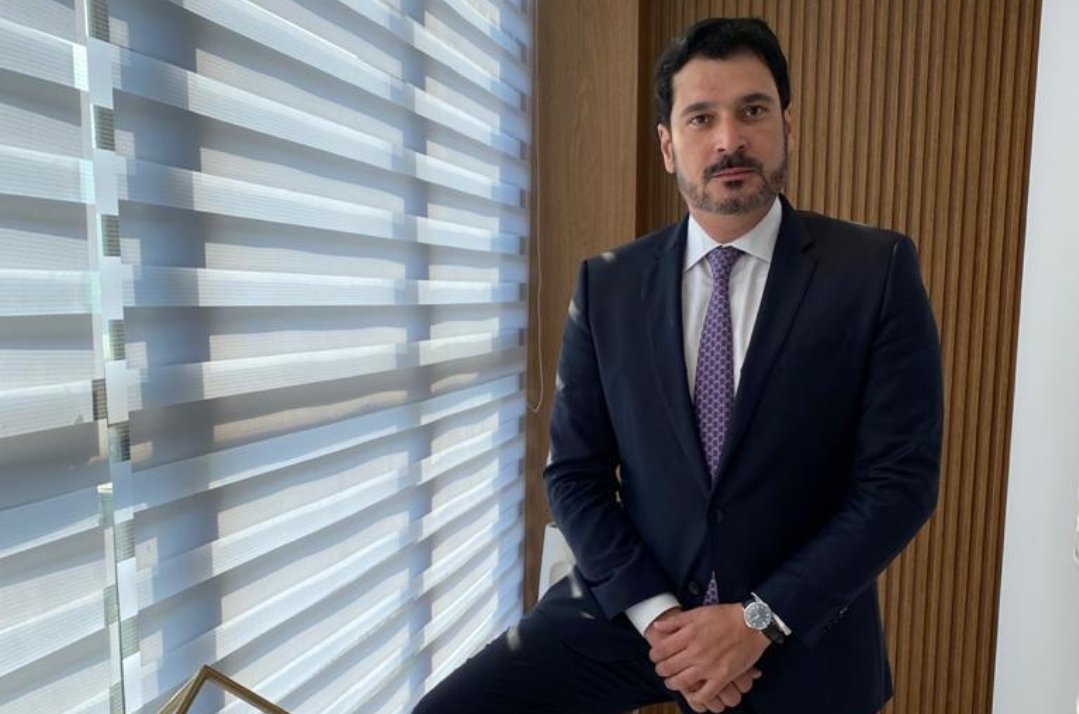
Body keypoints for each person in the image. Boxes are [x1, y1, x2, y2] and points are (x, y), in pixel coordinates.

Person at [414, 17, 942, 714]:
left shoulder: (873, 269)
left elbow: (898, 484)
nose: (728, 140)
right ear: (667, 145)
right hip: (637, 608)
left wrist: (755, 622)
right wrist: (661, 621)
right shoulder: (607, 284)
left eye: (752, 111)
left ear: (787, 126)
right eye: (701, 118)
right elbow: (573, 474)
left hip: (796, 622)